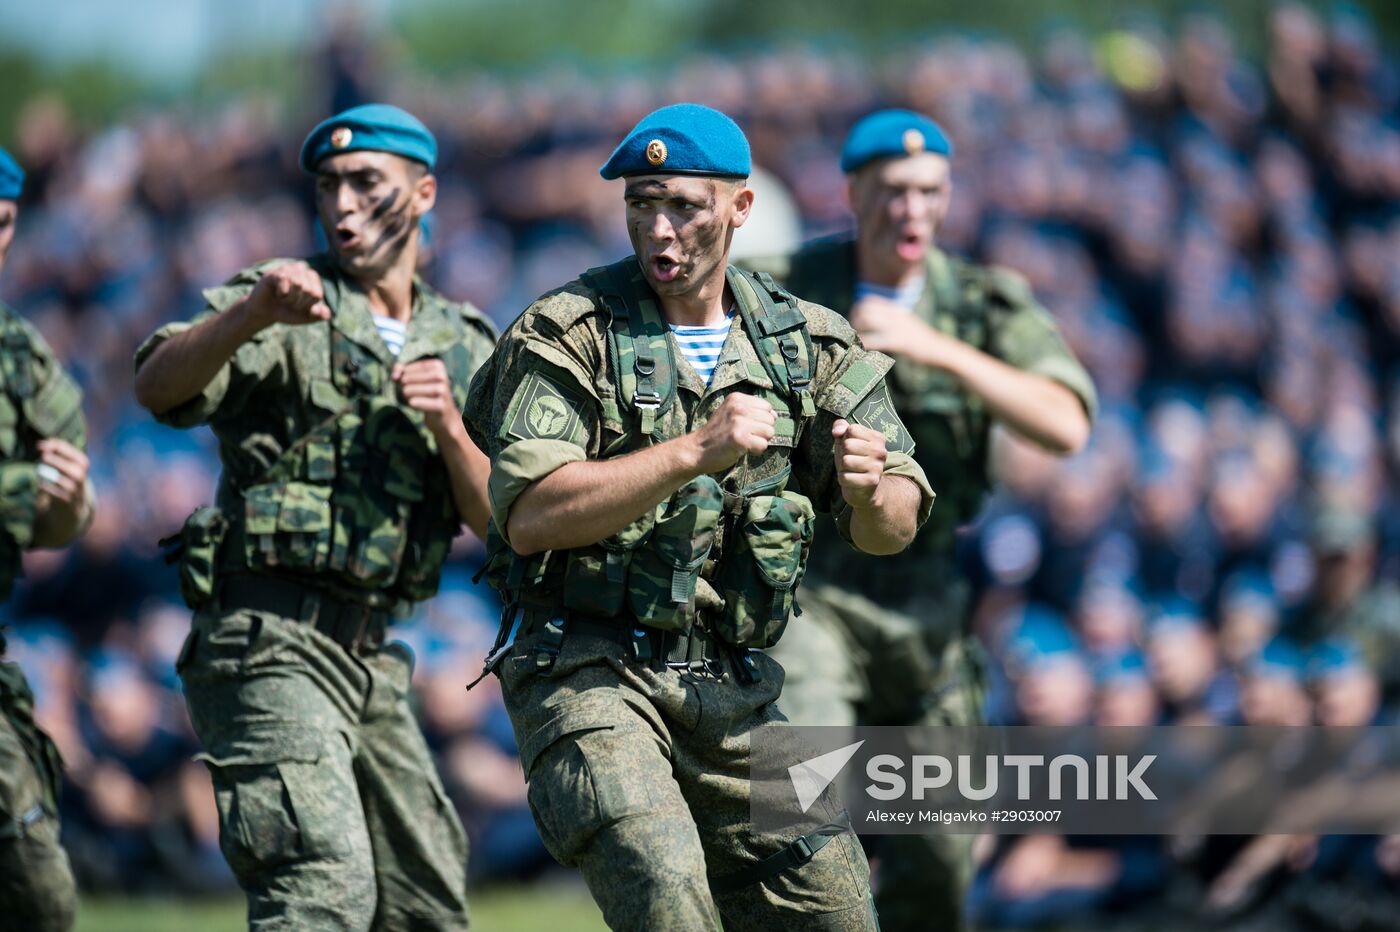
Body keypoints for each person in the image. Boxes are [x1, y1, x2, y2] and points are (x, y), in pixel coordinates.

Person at [464, 102, 934, 931]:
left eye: (684, 205)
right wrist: (690, 452)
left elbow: (895, 522)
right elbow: (530, 515)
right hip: (586, 669)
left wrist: (869, 491)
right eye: (642, 203)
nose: (660, 229)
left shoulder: (808, 346)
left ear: (740, 209)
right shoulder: (567, 331)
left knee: (841, 908)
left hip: (733, 681)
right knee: (666, 882)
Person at [133, 104, 495, 931]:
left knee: (426, 906)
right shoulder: (285, 297)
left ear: (424, 191)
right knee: (321, 888)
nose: (342, 203)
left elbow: (495, 521)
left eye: (367, 182)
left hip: (373, 656)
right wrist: (249, 313)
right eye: (328, 185)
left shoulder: (465, 341)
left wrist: (449, 429)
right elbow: (156, 386)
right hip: (267, 641)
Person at [744, 108, 1097, 931]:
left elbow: (1067, 423)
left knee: (942, 852)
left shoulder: (976, 304)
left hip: (930, 598)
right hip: (812, 587)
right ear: (854, 192)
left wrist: (939, 350)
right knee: (800, 809)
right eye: (894, 191)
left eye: (930, 192)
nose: (912, 210)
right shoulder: (787, 285)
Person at [0, 144, 92, 932]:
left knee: (41, 894)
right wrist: (19, 487)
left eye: (1, 224)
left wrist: (62, 498)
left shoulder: (21, 358)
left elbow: (65, 522)